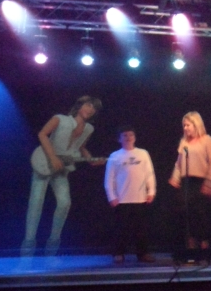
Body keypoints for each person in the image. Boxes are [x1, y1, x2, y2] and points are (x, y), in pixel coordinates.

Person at [21, 95, 103, 257]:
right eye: (88, 105)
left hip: (62, 169)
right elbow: (42, 134)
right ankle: (27, 248)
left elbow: (81, 147)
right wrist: (52, 157)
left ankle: (52, 248)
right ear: (80, 105)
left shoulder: (89, 129)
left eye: (94, 108)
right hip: (44, 163)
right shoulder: (60, 119)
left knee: (65, 203)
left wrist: (91, 159)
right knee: (36, 202)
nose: (90, 109)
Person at [169, 111, 211, 262]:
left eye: (188, 125)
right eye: (184, 125)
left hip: (200, 181)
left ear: (196, 125)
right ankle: (191, 244)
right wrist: (175, 177)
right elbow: (179, 163)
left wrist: (210, 182)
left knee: (200, 213)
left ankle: (204, 243)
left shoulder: (206, 140)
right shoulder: (184, 142)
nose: (185, 128)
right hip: (186, 182)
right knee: (186, 213)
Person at [104, 126, 156, 264]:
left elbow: (149, 174)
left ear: (135, 137)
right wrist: (111, 196)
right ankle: (119, 253)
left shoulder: (143, 154)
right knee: (121, 229)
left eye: (130, 135)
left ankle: (143, 254)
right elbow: (109, 178)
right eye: (125, 135)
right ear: (119, 139)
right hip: (122, 200)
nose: (128, 137)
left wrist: (151, 191)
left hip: (140, 198)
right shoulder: (115, 156)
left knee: (141, 229)